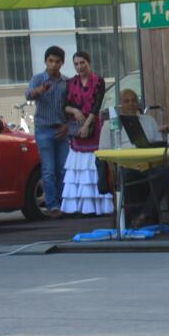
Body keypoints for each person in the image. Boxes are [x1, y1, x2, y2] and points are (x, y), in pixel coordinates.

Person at [99, 88, 169, 228]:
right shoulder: (110, 124)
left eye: (133, 101)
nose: (131, 104)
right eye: (126, 101)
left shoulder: (149, 120)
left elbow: (159, 146)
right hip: (126, 166)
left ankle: (144, 215)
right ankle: (134, 218)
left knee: (165, 173)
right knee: (126, 176)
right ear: (120, 105)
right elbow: (103, 153)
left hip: (149, 165)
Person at [60, 50, 113, 215]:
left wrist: (87, 125)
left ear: (89, 63)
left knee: (94, 165)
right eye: (76, 64)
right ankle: (80, 207)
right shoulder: (70, 83)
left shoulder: (98, 80)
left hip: (93, 125)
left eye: (82, 63)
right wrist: (75, 111)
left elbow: (97, 106)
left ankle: (100, 206)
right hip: (77, 127)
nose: (79, 66)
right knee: (79, 166)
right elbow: (64, 106)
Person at [26, 46, 69, 216]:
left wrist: (67, 126)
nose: (54, 65)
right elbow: (28, 95)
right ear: (45, 61)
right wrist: (39, 90)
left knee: (64, 169)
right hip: (44, 130)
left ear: (62, 63)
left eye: (57, 61)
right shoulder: (38, 79)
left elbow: (70, 106)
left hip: (62, 129)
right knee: (49, 170)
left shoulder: (66, 82)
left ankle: (64, 204)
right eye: (51, 61)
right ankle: (52, 205)